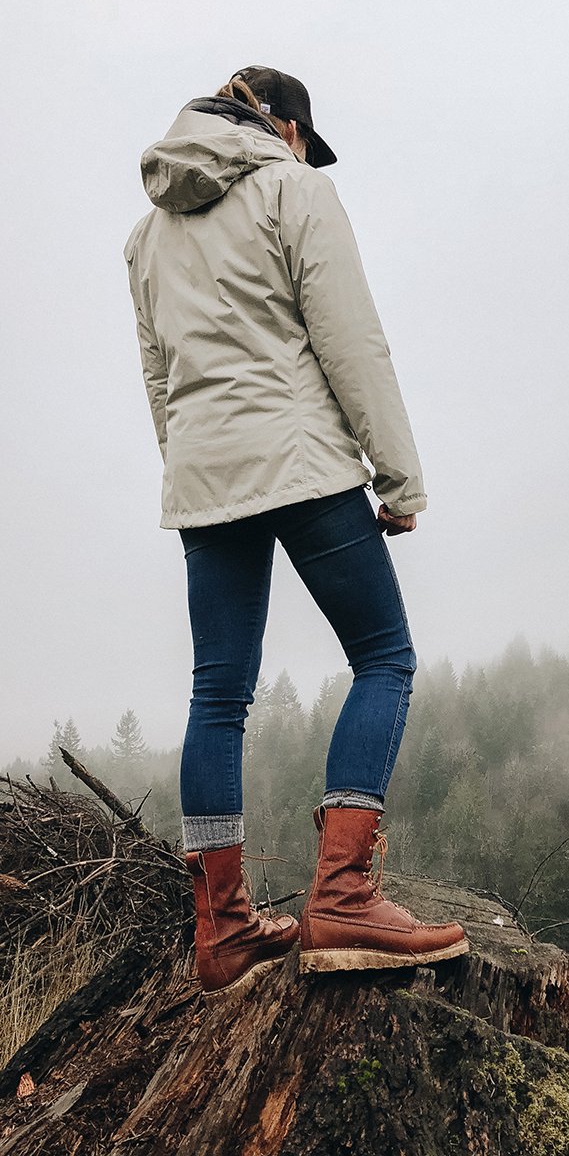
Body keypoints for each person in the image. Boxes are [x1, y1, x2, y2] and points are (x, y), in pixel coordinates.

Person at [124, 65, 468, 994]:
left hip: (206, 479)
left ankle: (222, 929)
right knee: (384, 657)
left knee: (218, 694)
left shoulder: (147, 236)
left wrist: (197, 473)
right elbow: (352, 340)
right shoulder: (294, 190)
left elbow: (162, 385)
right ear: (281, 128)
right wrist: (398, 478)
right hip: (304, 463)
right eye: (308, 141)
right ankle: (345, 896)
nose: (310, 156)